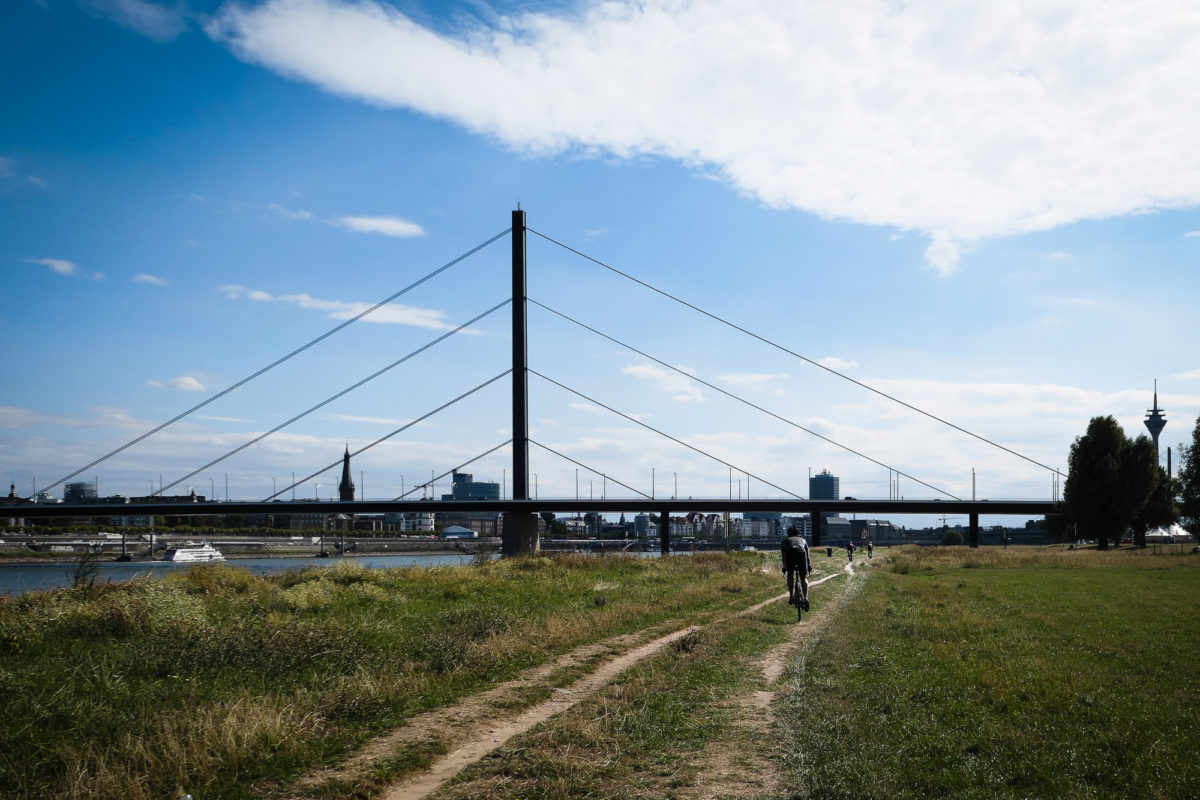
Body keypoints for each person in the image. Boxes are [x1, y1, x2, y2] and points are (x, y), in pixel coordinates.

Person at [780, 525, 811, 611]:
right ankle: (806, 598)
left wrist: (785, 568)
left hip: (790, 555)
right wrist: (809, 566)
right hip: (801, 555)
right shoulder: (803, 540)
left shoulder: (785, 541)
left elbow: (784, 556)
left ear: (788, 533)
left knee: (790, 575)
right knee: (804, 578)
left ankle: (791, 596)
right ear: (798, 533)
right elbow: (808, 556)